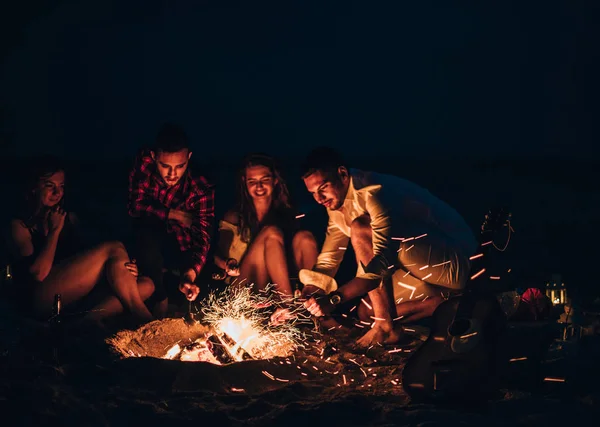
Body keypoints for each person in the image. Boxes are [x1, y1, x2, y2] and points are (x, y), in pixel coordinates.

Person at [300, 147, 478, 347]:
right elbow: (329, 259)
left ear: (342, 174)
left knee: (360, 228)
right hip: (421, 268)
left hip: (459, 261)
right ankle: (453, 302)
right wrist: (308, 294)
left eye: (323, 187)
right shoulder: (336, 204)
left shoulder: (373, 192)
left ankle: (386, 329)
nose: (319, 198)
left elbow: (380, 265)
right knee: (368, 313)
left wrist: (334, 299)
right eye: (313, 193)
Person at [6, 156, 155, 324]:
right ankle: (146, 320)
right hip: (38, 298)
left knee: (146, 284)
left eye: (61, 186)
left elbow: (89, 258)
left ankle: (87, 320)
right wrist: (54, 232)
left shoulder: (68, 217)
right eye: (50, 186)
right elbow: (37, 274)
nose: (57, 193)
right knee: (114, 248)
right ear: (33, 188)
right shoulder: (19, 225)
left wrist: (125, 268)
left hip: (70, 295)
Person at [213, 153, 318, 320]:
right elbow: (217, 256)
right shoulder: (235, 216)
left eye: (264, 180)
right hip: (245, 289)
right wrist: (227, 264)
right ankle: (288, 306)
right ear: (245, 183)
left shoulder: (287, 215)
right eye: (252, 181)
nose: (259, 186)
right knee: (271, 232)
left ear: (275, 180)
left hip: (276, 288)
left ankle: (316, 309)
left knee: (305, 237)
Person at [128, 123, 214, 318]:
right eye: (165, 166)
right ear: (153, 157)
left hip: (182, 245)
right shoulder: (144, 163)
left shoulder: (200, 187)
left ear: (189, 158)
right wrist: (172, 214)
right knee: (147, 227)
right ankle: (159, 298)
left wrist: (190, 274)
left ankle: (177, 289)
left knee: (202, 291)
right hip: (150, 237)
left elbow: (203, 237)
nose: (172, 174)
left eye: (180, 166)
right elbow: (135, 206)